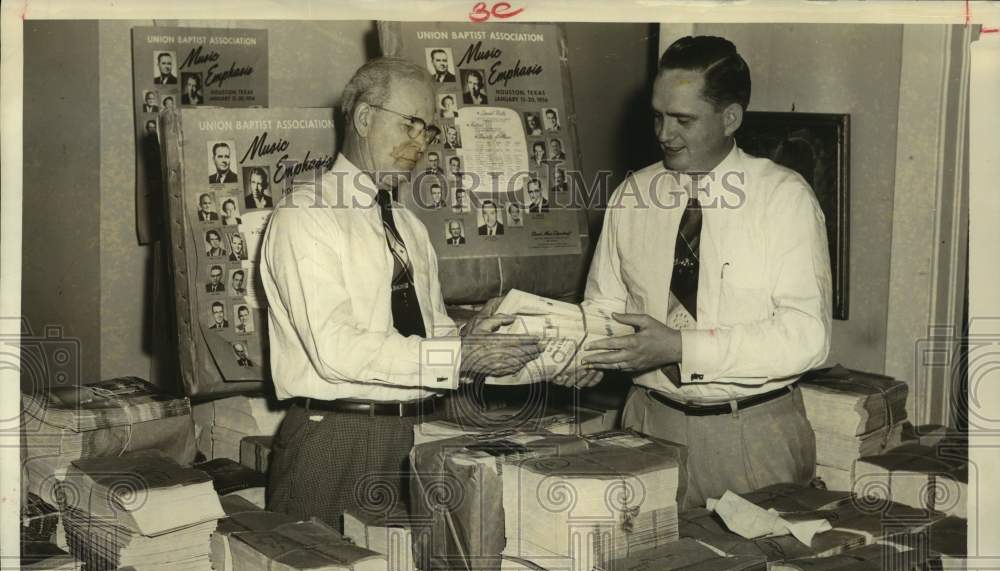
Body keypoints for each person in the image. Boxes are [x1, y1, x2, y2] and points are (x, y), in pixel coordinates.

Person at [259, 57, 541, 529]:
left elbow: (427, 334)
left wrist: (474, 337)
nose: (420, 144)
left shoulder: (408, 226)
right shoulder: (305, 216)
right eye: (410, 124)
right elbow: (337, 352)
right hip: (337, 438)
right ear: (365, 118)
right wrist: (458, 357)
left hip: (415, 430)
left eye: (428, 131)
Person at [561, 35, 831, 509]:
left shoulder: (782, 199)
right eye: (658, 115)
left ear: (730, 118)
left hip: (751, 435)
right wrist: (585, 353)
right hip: (647, 426)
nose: (665, 133)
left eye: (684, 120)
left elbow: (807, 336)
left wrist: (682, 347)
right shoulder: (632, 195)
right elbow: (604, 306)